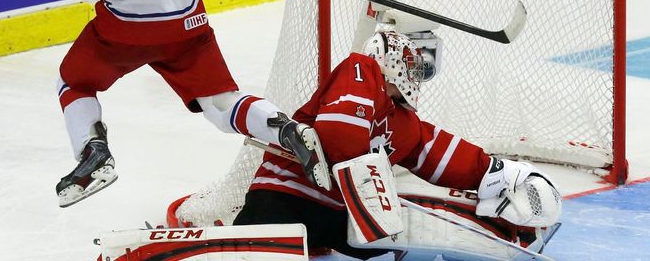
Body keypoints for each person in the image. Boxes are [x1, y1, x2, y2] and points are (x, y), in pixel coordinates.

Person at [50, 0, 331, 208]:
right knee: (221, 103)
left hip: (128, 28)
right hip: (187, 21)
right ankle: (284, 129)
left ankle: (93, 153)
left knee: (74, 81)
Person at [233, 30, 561, 259]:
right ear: (391, 60)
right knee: (252, 248)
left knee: (409, 236)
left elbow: (442, 154)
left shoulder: (403, 124)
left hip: (340, 217)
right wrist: (371, 187)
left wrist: (499, 173)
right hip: (285, 194)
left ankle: (503, 233)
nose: (415, 75)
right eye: (411, 65)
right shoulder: (361, 70)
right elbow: (339, 136)